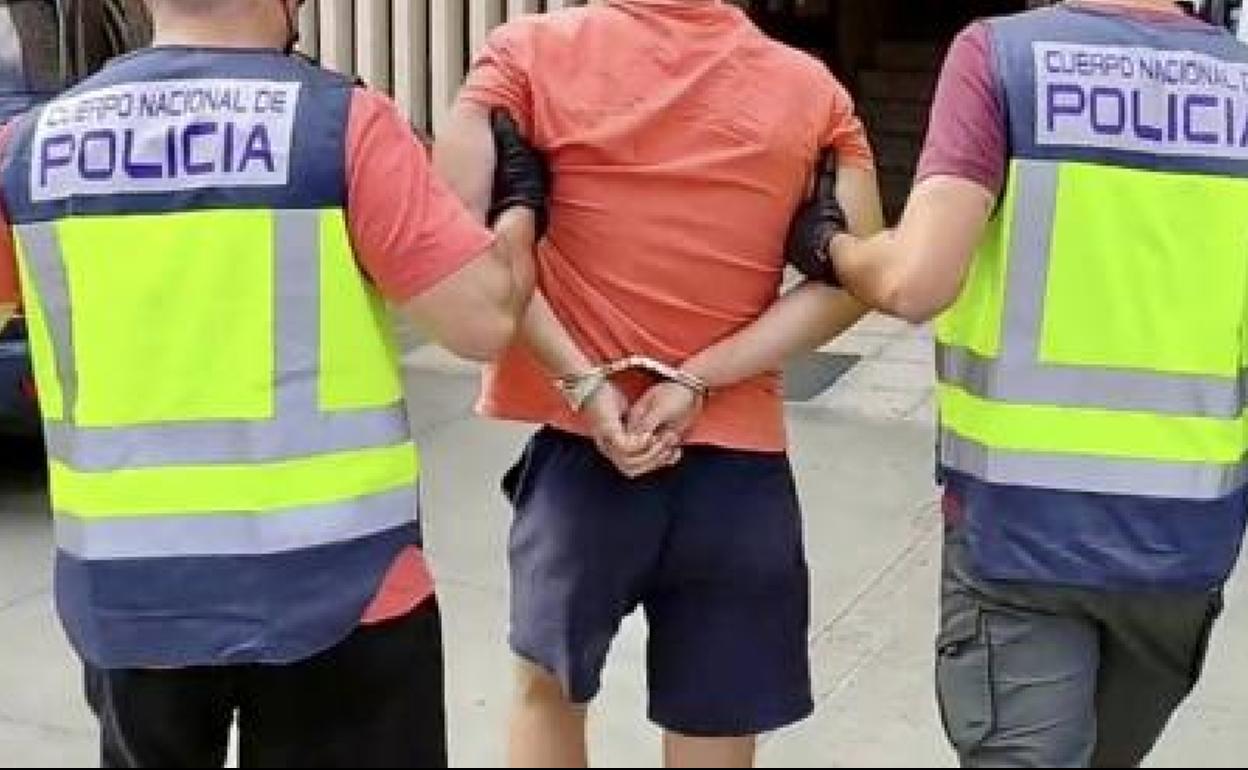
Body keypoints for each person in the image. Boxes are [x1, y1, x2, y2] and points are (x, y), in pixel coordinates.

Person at [0, 0, 543, 766]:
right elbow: (483, 319)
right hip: (340, 594)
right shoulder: (341, 127)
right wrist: (517, 203)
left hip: (131, 599)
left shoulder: (27, 149)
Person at [434, 0, 884, 766]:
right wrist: (699, 380)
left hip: (584, 460)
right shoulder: (813, 92)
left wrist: (586, 384)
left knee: (548, 694)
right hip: (737, 471)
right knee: (716, 720)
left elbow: (463, 250)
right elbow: (862, 278)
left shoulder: (523, 57)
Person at [813, 1, 1248, 766]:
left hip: (1022, 534)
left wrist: (832, 245)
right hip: (1182, 544)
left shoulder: (1002, 59)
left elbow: (915, 282)